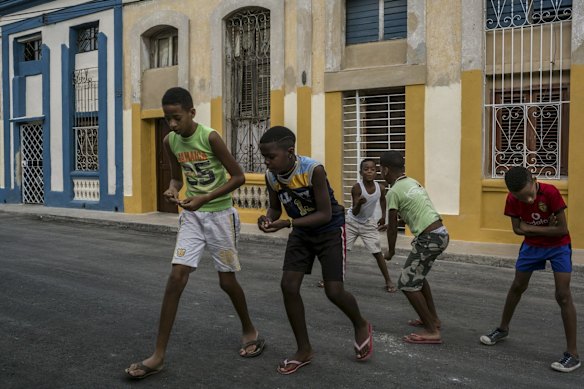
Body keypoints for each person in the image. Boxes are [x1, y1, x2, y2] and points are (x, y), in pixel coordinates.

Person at [125, 87, 264, 379]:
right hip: (192, 216)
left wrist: (206, 198)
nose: (172, 125)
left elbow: (237, 177)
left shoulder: (210, 136)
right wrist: (173, 188)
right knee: (176, 277)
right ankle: (158, 355)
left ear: (191, 113)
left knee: (227, 282)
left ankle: (249, 328)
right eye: (167, 119)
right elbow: (177, 177)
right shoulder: (169, 141)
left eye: (176, 118)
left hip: (220, 216)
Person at [257, 126, 372, 375]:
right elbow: (276, 208)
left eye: (271, 157)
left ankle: (360, 323)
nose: (266, 162)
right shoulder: (272, 176)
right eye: (263, 157)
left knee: (334, 291)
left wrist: (287, 223)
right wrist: (267, 219)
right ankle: (304, 349)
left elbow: (324, 213)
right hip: (301, 232)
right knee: (288, 286)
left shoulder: (312, 170)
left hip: (329, 230)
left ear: (290, 152)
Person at [480, 166, 579, 373]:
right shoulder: (512, 199)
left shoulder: (551, 192)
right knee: (517, 286)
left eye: (530, 194)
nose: (529, 201)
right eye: (522, 198)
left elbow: (561, 229)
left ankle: (572, 354)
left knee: (563, 295)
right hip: (532, 247)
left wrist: (530, 228)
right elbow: (517, 229)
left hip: (558, 246)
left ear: (534, 180)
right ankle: (502, 329)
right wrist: (543, 229)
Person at [380, 151, 449, 344]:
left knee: (407, 283)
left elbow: (393, 226)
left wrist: (391, 251)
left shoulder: (393, 191)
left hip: (429, 238)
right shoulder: (412, 182)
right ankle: (432, 319)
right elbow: (415, 207)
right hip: (440, 232)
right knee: (418, 276)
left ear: (385, 170)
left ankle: (431, 330)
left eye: (380, 169)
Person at [318, 159, 395, 292]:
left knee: (377, 253)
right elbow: (354, 211)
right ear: (361, 172)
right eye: (366, 169)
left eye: (372, 169)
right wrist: (359, 203)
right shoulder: (357, 188)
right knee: (340, 251)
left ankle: (388, 280)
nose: (369, 172)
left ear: (376, 172)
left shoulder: (380, 188)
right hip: (352, 222)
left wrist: (383, 216)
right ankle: (329, 279)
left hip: (368, 224)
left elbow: (382, 200)